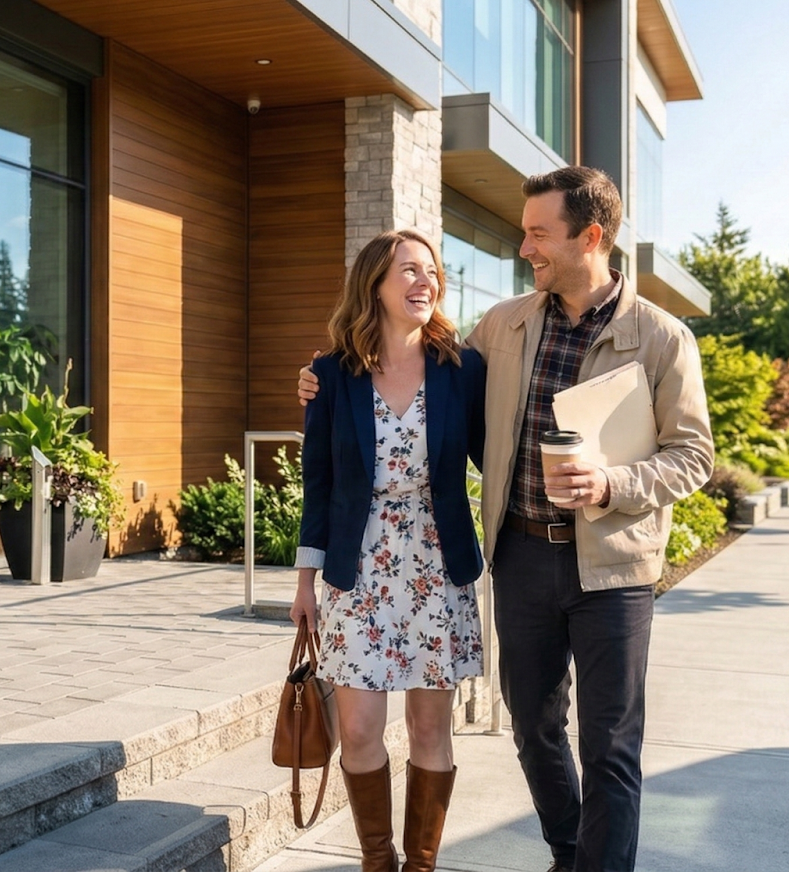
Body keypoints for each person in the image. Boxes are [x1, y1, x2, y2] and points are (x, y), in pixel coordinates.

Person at [298, 167, 714, 872]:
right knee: (535, 729)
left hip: (609, 564)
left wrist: (611, 482)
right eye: (523, 233)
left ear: (592, 236)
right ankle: (566, 852)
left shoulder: (662, 338)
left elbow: (693, 456)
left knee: (609, 743)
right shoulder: (502, 327)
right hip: (519, 557)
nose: (525, 248)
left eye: (538, 233)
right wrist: (319, 378)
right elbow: (399, 380)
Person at [290, 229, 487, 872]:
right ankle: (379, 860)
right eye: (407, 270)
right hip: (358, 569)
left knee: (432, 729)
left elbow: (499, 453)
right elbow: (316, 485)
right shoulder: (329, 375)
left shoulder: (463, 369)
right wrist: (303, 585)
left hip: (437, 564)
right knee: (360, 731)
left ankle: (421, 865)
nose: (424, 281)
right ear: (374, 283)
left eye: (431, 270)